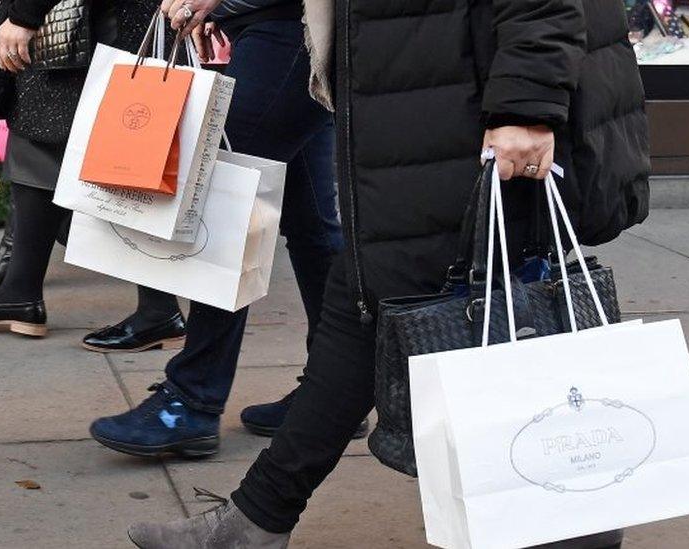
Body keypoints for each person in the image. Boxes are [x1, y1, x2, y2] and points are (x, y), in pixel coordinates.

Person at [126, 0, 650, 547]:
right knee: (362, 310)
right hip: (411, 122)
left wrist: (525, 110)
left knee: (402, 313)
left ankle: (255, 520)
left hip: (457, 122)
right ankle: (256, 519)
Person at [87, 0, 370, 461]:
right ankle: (336, 395)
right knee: (310, 222)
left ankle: (191, 402)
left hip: (290, 34)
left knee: (224, 210)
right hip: (291, 32)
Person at [0, 1, 176, 337]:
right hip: (85, 23)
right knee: (42, 145)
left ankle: (160, 311)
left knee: (130, 162)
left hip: (88, 22)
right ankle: (20, 291)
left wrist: (24, 16)